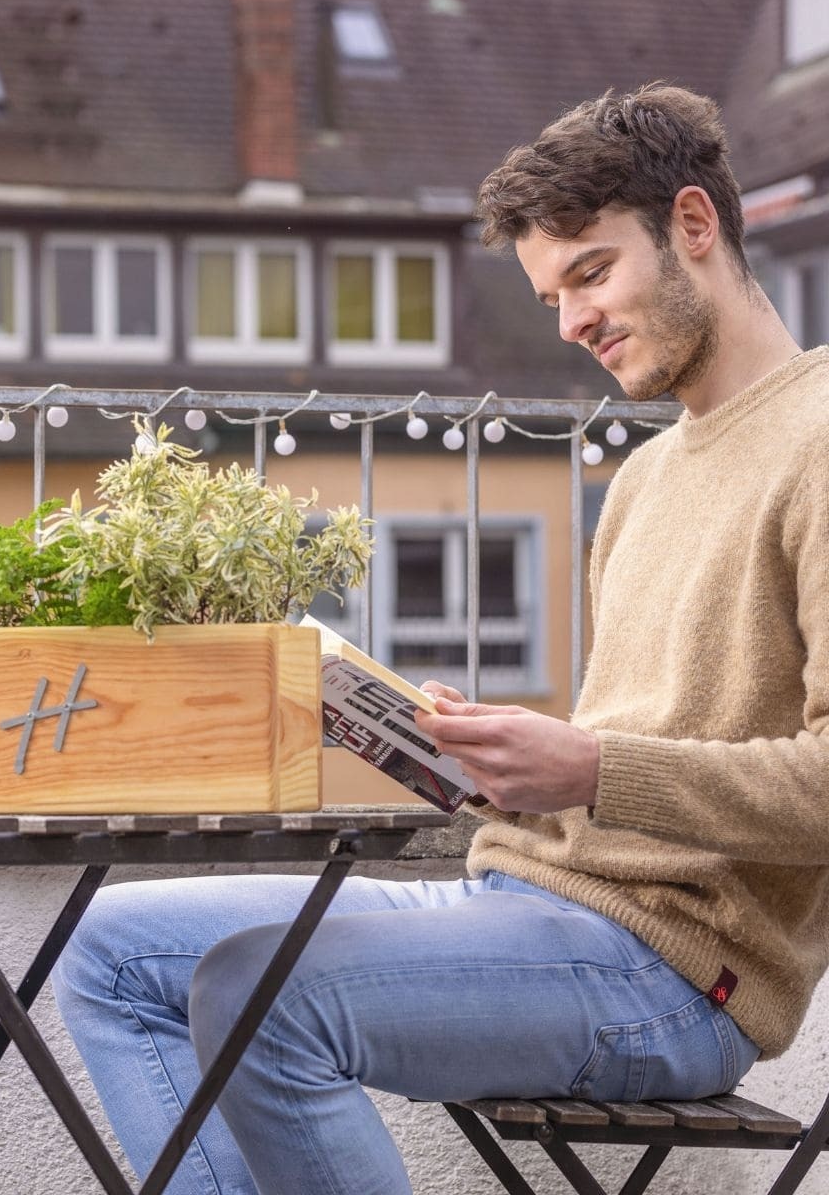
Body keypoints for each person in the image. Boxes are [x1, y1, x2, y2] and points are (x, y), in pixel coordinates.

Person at [52, 82, 829, 1195]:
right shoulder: (651, 473)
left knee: (261, 995)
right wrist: (499, 766)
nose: (570, 322)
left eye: (591, 274)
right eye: (552, 295)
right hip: (524, 893)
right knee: (113, 950)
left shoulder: (820, 439)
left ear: (694, 227)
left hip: (675, 972)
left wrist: (593, 769)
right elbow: (646, 742)